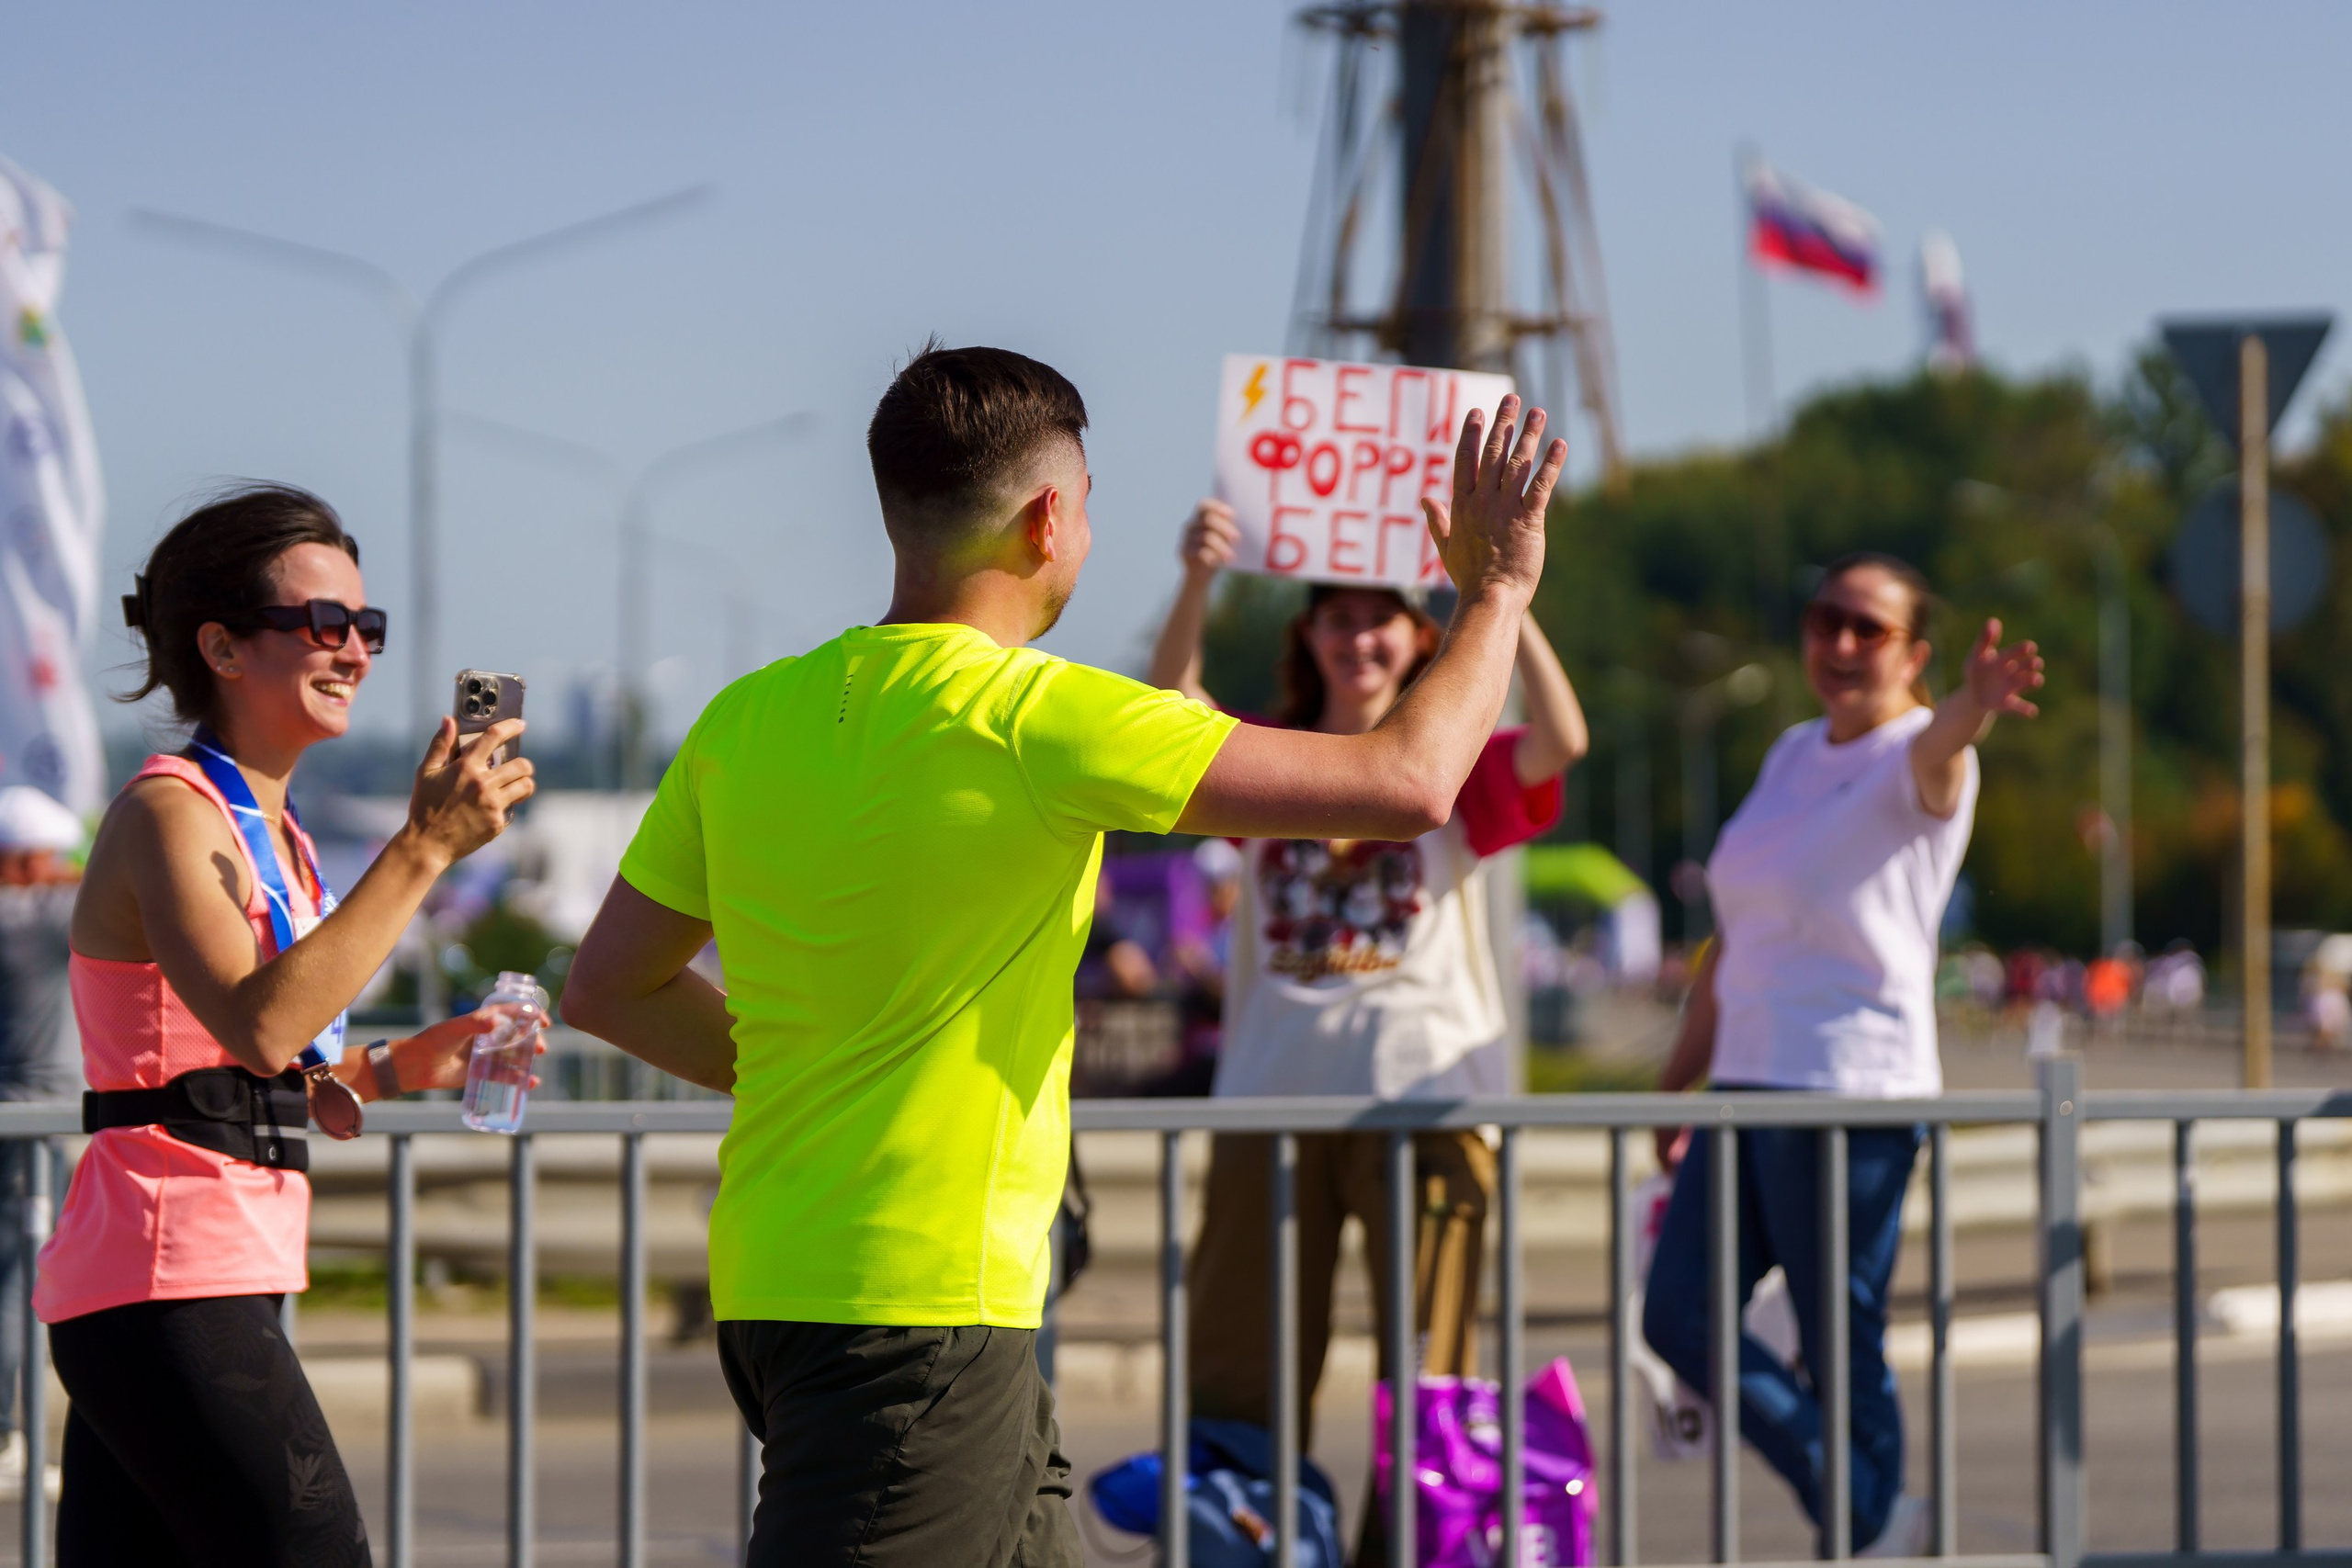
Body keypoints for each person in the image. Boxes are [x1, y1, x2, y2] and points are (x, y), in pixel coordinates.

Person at [558, 344, 1566, 1567]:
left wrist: (811, 1071)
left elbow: (610, 983)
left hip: (779, 1276)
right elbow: (1406, 783)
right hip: (921, 1305)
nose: (1088, 533)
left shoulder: (743, 717)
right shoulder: (1043, 714)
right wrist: (1498, 591)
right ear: (1048, 518)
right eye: (1088, 504)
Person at [39, 484, 534, 1567]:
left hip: (216, 1265)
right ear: (219, 645)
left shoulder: (283, 835)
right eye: (323, 624)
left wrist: (413, 1060)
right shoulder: (169, 813)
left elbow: (276, 1074)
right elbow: (260, 1028)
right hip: (162, 1268)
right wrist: (423, 849)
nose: (354, 650)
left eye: (368, 627)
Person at [1143, 497, 1587, 1560]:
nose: (1357, 637)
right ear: (1306, 637)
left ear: (1418, 637)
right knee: (1242, 1364)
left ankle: (1411, 1551)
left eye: (1380, 617)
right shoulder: (1266, 762)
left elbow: (1563, 739)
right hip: (1270, 1107)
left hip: (1428, 1108)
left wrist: (1500, 589)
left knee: (1426, 1374)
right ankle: (1254, 1542)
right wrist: (1199, 577)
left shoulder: (1455, 766)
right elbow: (1167, 703)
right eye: (1334, 618)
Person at [1641, 553, 2042, 1558]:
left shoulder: (1920, 751)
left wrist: (1974, 705)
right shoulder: (1787, 753)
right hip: (1745, 1085)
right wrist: (1674, 1081)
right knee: (1677, 1316)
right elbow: (1735, 942)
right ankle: (1868, 1516)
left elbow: (1944, 747)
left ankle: (1862, 1527)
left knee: (1836, 1338)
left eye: (1871, 629)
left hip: (1849, 1092)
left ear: (1915, 655)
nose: (1843, 645)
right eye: (1828, 620)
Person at [0, 785, 84, 1502]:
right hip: (32, 1127)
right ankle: (3, 1434)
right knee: (16, 1286)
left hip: (11, 1118)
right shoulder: (44, 916)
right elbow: (126, 881)